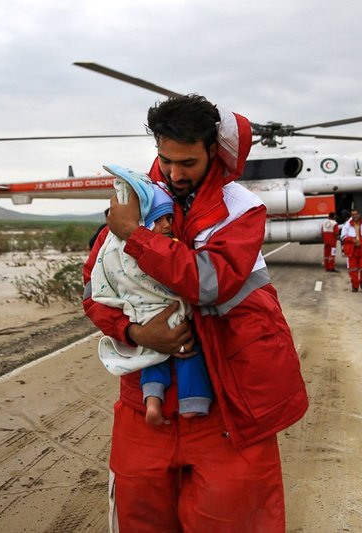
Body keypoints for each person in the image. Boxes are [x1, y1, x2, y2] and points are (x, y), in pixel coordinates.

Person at [82, 94, 308, 532]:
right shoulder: (136, 202)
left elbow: (210, 283)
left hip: (229, 401)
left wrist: (135, 236)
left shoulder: (242, 210)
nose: (174, 173)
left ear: (213, 152)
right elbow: (94, 292)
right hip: (146, 402)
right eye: (166, 160)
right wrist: (134, 332)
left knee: (232, 519)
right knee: (138, 518)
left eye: (188, 162)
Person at [90, 166, 212, 426]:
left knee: (152, 361)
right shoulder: (115, 239)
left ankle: (152, 400)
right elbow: (93, 298)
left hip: (145, 323)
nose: (168, 224)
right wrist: (134, 333)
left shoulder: (114, 248)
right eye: (161, 219)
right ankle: (194, 401)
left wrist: (140, 334)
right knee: (189, 354)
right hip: (172, 322)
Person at [339, 208, 362, 292]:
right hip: (352, 251)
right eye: (353, 215)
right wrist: (353, 240)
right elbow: (343, 237)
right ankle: (355, 286)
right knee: (353, 270)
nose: (355, 216)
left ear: (359, 214)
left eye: (356, 214)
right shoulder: (347, 225)